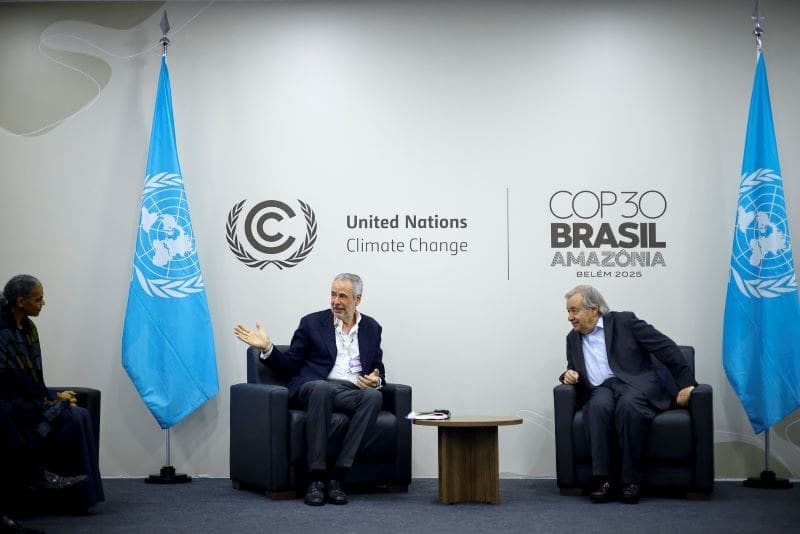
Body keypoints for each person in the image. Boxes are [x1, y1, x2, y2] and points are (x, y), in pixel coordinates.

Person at [234, 273, 385, 506]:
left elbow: (377, 365)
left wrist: (375, 379)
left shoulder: (372, 328)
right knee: (321, 389)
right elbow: (289, 365)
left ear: (358, 299)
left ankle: (338, 477)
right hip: (313, 387)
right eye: (333, 294)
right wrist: (268, 348)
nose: (336, 301)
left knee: (374, 397)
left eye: (343, 296)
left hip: (350, 391)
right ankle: (316, 479)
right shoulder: (312, 323)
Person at [559, 285, 696, 504]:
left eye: (574, 310)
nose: (569, 317)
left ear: (593, 310)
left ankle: (631, 481)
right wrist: (568, 374)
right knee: (597, 408)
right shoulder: (572, 338)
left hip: (634, 384)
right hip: (601, 389)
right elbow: (573, 368)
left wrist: (686, 383)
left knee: (629, 407)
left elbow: (666, 347)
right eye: (568, 312)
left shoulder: (624, 322)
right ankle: (603, 480)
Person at [0, 275, 104, 515]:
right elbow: (7, 376)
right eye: (38, 299)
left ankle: (86, 497)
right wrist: (51, 396)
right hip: (10, 399)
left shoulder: (29, 327)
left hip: (30, 396)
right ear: (20, 301)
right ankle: (42, 478)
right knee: (71, 418)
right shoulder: (2, 329)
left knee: (81, 413)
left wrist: (50, 396)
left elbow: (34, 371)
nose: (43, 303)